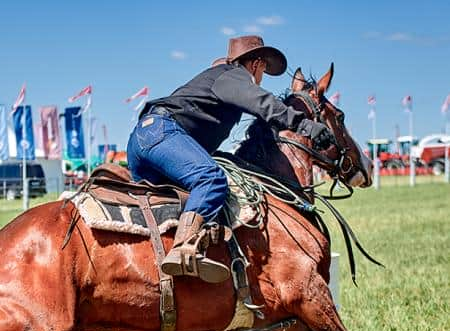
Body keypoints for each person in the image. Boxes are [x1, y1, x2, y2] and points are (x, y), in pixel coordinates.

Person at [127, 35, 336, 283]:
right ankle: (184, 248)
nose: (261, 78)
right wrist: (307, 127)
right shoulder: (232, 75)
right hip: (160, 134)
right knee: (211, 179)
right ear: (257, 64)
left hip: (145, 140)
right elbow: (264, 104)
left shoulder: (214, 79)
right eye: (264, 70)